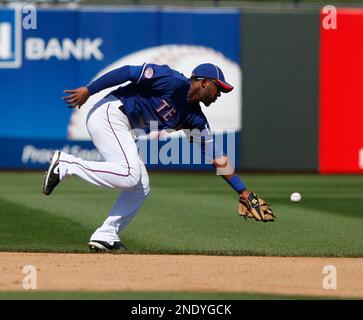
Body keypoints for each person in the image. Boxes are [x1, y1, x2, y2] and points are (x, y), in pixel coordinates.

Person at [43, 63, 272, 253]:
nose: (219, 94)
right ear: (203, 82)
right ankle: (66, 164)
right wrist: (89, 90)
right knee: (131, 175)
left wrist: (243, 192)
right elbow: (128, 72)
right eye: (218, 88)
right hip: (110, 112)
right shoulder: (172, 80)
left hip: (121, 125)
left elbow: (218, 159)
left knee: (141, 185)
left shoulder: (195, 119)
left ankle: (106, 234)